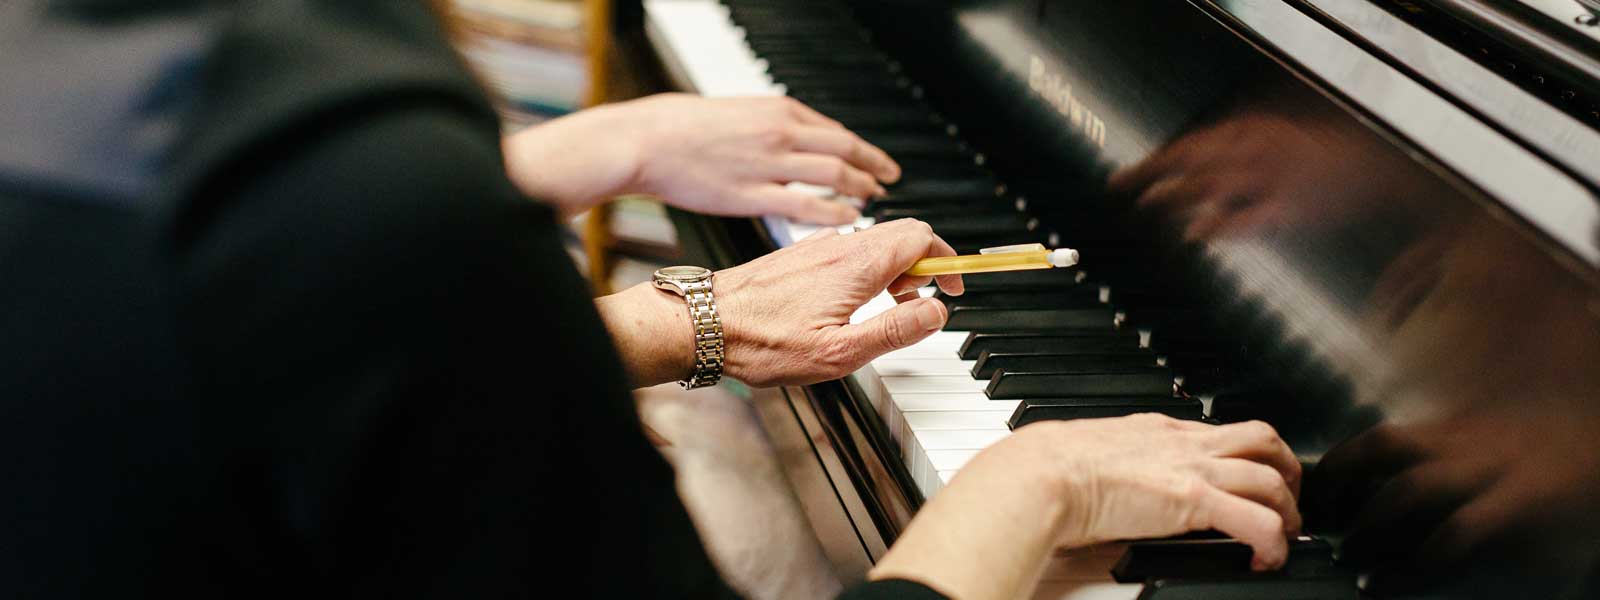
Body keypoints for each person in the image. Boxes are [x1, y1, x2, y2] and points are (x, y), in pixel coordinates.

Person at [0, 1, 1302, 599]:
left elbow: (252, 344)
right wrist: (1032, 490)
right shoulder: (353, 183)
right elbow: (341, 266)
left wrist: (667, 287)